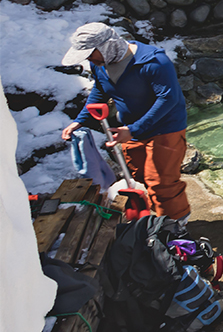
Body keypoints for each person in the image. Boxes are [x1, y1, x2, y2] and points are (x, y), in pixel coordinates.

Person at [59, 23, 190, 220]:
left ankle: (176, 229)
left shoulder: (153, 61)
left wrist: (133, 129)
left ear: (106, 46)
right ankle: (159, 221)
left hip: (165, 127)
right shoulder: (99, 64)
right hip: (131, 129)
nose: (88, 59)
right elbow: (100, 92)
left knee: (162, 182)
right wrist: (80, 121)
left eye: (90, 53)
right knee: (140, 176)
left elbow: (168, 99)